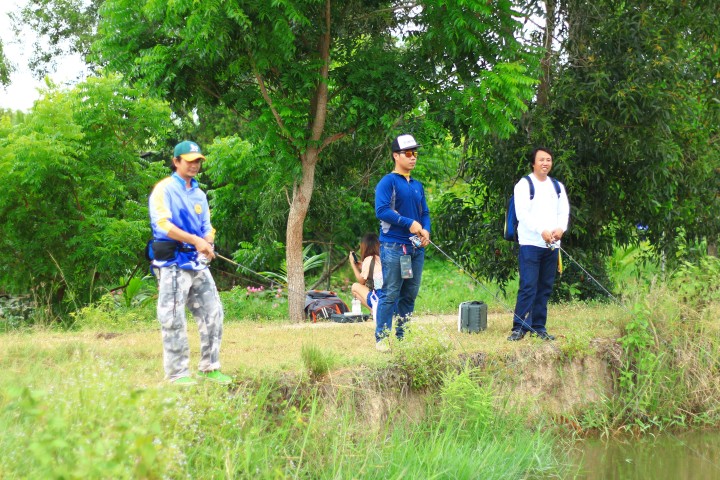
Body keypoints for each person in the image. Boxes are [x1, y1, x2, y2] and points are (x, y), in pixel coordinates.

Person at [148, 140, 232, 385]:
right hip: (172, 262)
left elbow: (208, 226)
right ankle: (177, 374)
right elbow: (162, 225)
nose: (194, 165)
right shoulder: (164, 190)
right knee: (173, 317)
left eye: (198, 161)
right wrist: (195, 240)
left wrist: (208, 242)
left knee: (213, 312)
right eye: (189, 160)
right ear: (176, 162)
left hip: (197, 263)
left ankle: (210, 368)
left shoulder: (199, 194)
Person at [374, 134, 431, 351]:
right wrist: (409, 223)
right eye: (408, 153)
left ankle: (402, 335)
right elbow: (382, 211)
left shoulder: (417, 185)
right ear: (395, 156)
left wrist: (425, 229)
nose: (413, 157)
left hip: (415, 249)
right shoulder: (388, 182)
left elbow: (424, 213)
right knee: (391, 292)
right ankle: (382, 337)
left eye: (415, 153)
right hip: (394, 247)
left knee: (409, 293)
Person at [508, 146, 570, 341]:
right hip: (530, 244)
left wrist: (560, 229)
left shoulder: (557, 186)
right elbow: (522, 214)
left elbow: (564, 211)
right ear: (533, 163)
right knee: (528, 285)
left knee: (545, 286)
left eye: (549, 160)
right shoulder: (524, 185)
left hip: (551, 245)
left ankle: (538, 327)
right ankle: (519, 327)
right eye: (541, 160)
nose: (545, 163)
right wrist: (540, 231)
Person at [349, 233, 384, 319]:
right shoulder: (382, 258)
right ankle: (376, 311)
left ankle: (374, 311)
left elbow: (361, 281)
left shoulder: (368, 259)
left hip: (379, 298)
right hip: (389, 298)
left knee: (355, 287)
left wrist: (352, 265)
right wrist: (362, 266)